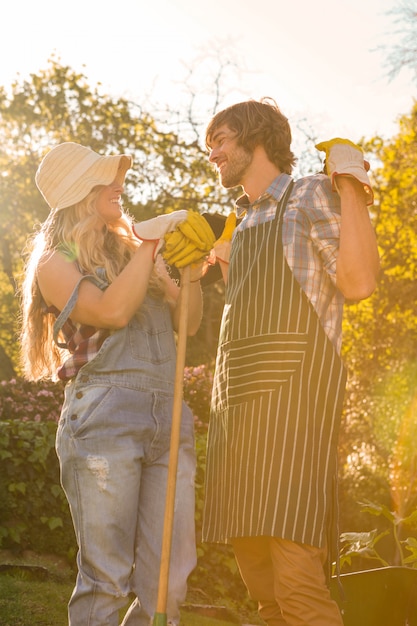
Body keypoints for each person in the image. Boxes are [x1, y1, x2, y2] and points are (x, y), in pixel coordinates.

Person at [203, 99, 380, 626]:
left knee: (300, 590)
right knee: (265, 598)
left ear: (255, 137)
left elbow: (360, 282)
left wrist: (350, 186)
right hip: (236, 415)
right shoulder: (241, 221)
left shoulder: (306, 195)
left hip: (293, 414)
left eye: (221, 139)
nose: (212, 153)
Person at [19, 141, 207, 626]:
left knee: (168, 581)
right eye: (109, 179)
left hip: (168, 417)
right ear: (82, 192)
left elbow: (188, 324)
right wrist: (150, 245)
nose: (121, 185)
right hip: (104, 417)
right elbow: (112, 311)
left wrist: (188, 275)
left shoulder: (131, 251)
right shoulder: (53, 263)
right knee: (106, 578)